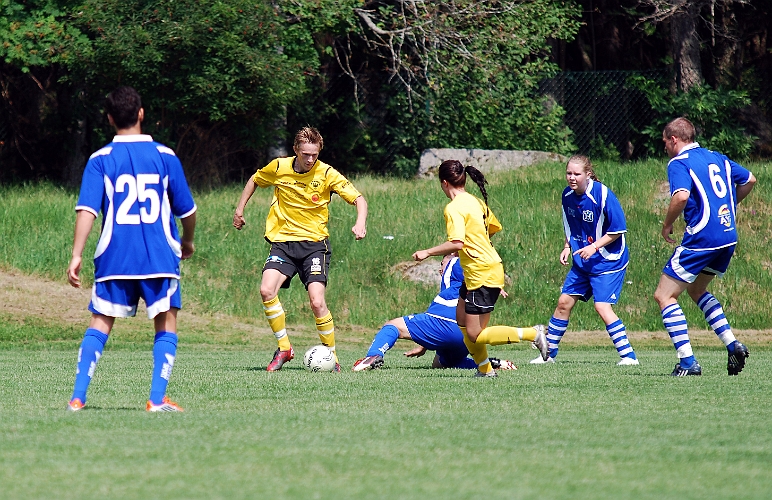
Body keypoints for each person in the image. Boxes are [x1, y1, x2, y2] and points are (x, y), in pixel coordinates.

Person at [66, 86, 197, 412]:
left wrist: (77, 254)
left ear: (110, 119)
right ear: (141, 113)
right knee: (166, 320)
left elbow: (87, 210)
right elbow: (188, 211)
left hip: (115, 256)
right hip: (159, 256)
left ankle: (78, 397)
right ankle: (156, 399)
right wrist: (188, 240)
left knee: (100, 321)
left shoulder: (100, 160)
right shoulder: (165, 156)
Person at [233, 127, 367, 372]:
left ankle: (333, 357)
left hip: (314, 246)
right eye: (305, 154)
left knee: (317, 302)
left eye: (314, 154)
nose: (310, 159)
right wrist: (240, 209)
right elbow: (255, 179)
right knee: (266, 290)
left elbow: (359, 199)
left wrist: (360, 222)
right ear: (295, 150)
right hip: (283, 243)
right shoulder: (279, 167)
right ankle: (285, 348)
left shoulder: (326, 173)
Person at [412, 160, 548, 377]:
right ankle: (485, 370)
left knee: (476, 334)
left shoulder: (454, 207)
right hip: (480, 271)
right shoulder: (475, 202)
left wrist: (427, 252)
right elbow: (492, 228)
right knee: (463, 324)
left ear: (444, 183)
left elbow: (457, 242)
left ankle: (533, 333)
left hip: (482, 272)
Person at [653, 117, 755, 376]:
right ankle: (733, 344)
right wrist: (729, 208)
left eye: (665, 141)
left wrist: (667, 225)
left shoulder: (679, 163)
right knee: (697, 290)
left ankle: (687, 362)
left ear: (674, 139)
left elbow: (681, 196)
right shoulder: (717, 157)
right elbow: (750, 179)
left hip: (703, 237)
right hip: (727, 235)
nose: (664, 146)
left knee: (664, 296)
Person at [531, 155, 639, 366]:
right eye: (568, 173)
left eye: (576, 174)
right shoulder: (567, 195)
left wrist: (594, 246)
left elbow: (618, 230)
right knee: (563, 303)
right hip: (583, 259)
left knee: (602, 307)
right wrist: (566, 246)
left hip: (608, 260)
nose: (571, 177)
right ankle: (548, 355)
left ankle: (629, 357)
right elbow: (572, 226)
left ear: (588, 174)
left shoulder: (603, 194)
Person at [352, 254, 518, 372]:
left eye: (441, 264)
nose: (441, 269)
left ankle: (372, 356)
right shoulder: (457, 280)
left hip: (446, 321)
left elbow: (466, 259)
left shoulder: (455, 262)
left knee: (393, 325)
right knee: (441, 363)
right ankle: (491, 363)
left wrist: (434, 253)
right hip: (466, 332)